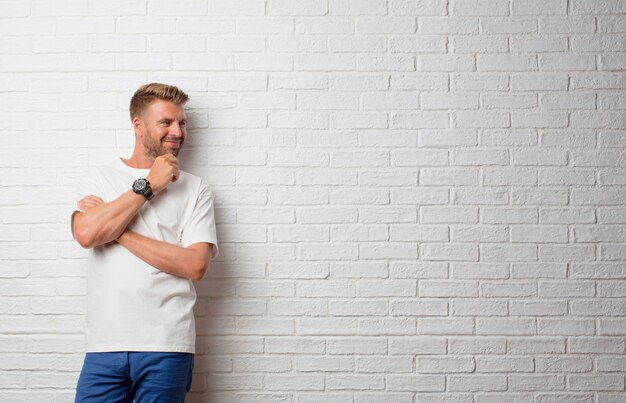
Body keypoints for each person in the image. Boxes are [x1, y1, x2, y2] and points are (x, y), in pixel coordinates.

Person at [71, 83, 219, 402]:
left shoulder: (196, 189)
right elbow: (85, 234)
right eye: (166, 123)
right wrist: (149, 184)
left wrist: (115, 229)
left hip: (167, 344)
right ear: (139, 126)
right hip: (103, 344)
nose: (177, 131)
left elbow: (195, 265)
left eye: (182, 123)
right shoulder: (99, 177)